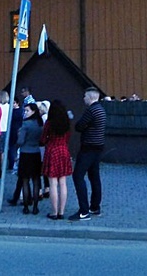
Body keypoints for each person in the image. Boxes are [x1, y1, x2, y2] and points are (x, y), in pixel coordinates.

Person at [69, 87, 106, 222]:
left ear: (90, 97)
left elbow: (79, 126)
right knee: (94, 177)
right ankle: (95, 207)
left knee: (78, 176)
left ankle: (83, 211)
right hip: (98, 147)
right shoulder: (101, 110)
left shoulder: (91, 111)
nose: (83, 98)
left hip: (88, 147)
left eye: (85, 96)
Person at [41, 99, 72, 220]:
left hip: (52, 150)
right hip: (64, 150)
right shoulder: (67, 123)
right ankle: (61, 211)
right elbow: (68, 138)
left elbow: (43, 139)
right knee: (63, 183)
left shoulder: (49, 123)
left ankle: (54, 212)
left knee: (53, 183)